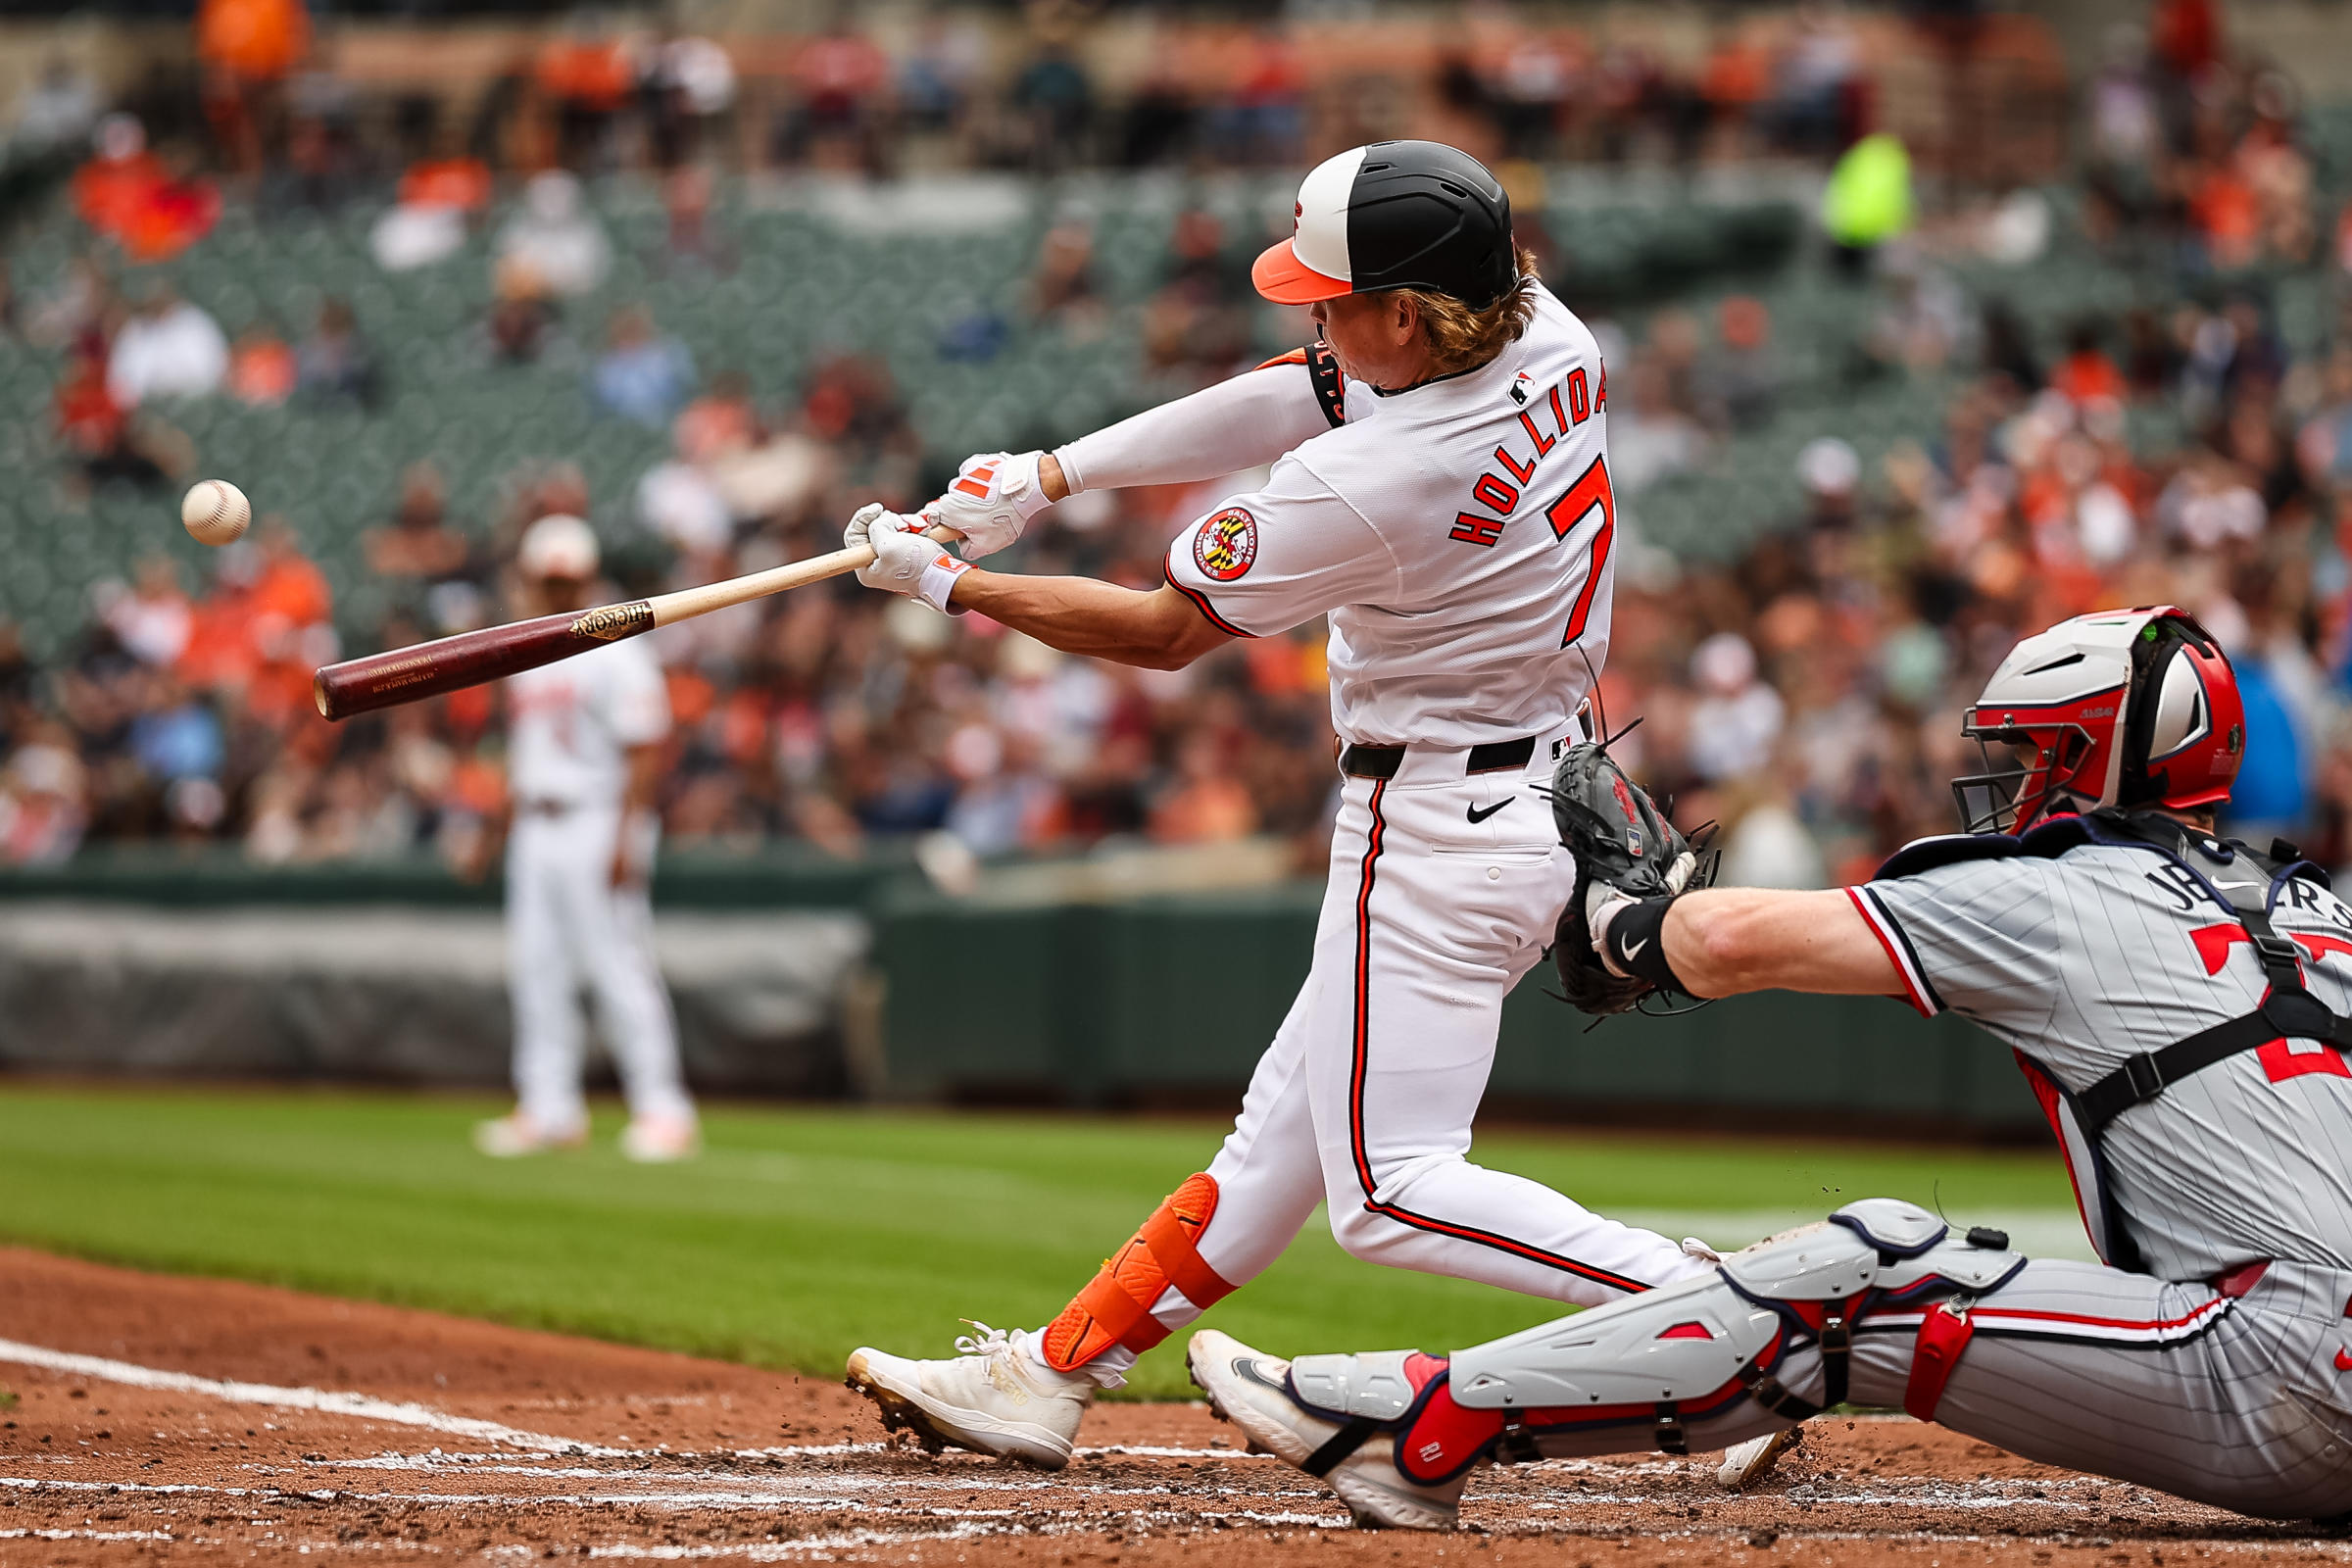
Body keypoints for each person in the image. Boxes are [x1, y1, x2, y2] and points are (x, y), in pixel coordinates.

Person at [839, 141, 1717, 1470]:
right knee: (1273, 1152)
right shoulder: (1548, 334)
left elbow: (1158, 631)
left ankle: (1717, 1315)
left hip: (1428, 826)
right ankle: (1053, 1375)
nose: (1314, 316)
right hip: (1532, 789)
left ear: (1410, 316)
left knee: (1387, 1192)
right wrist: (1047, 478)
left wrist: (944, 585)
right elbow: (1304, 390)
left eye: (1335, 297)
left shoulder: (1380, 478)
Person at [1188, 606, 2352, 1532]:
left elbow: (1736, 941)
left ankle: (1421, 1429)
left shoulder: (2054, 890)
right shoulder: (2322, 912)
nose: (2012, 781)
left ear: (2093, 761)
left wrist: (1626, 925)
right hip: (2316, 1357)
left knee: (1873, 1267)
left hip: (2283, 1374)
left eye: (2033, 752)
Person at [471, 514, 700, 1164]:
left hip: (597, 815)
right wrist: (492, 836)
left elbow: (646, 751)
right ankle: (549, 1109)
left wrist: (628, 838)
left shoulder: (616, 650)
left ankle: (663, 1109)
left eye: (567, 578)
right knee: (537, 969)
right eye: (548, 579)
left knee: (617, 964)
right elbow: (523, 756)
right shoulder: (526, 653)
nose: (558, 590)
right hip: (537, 823)